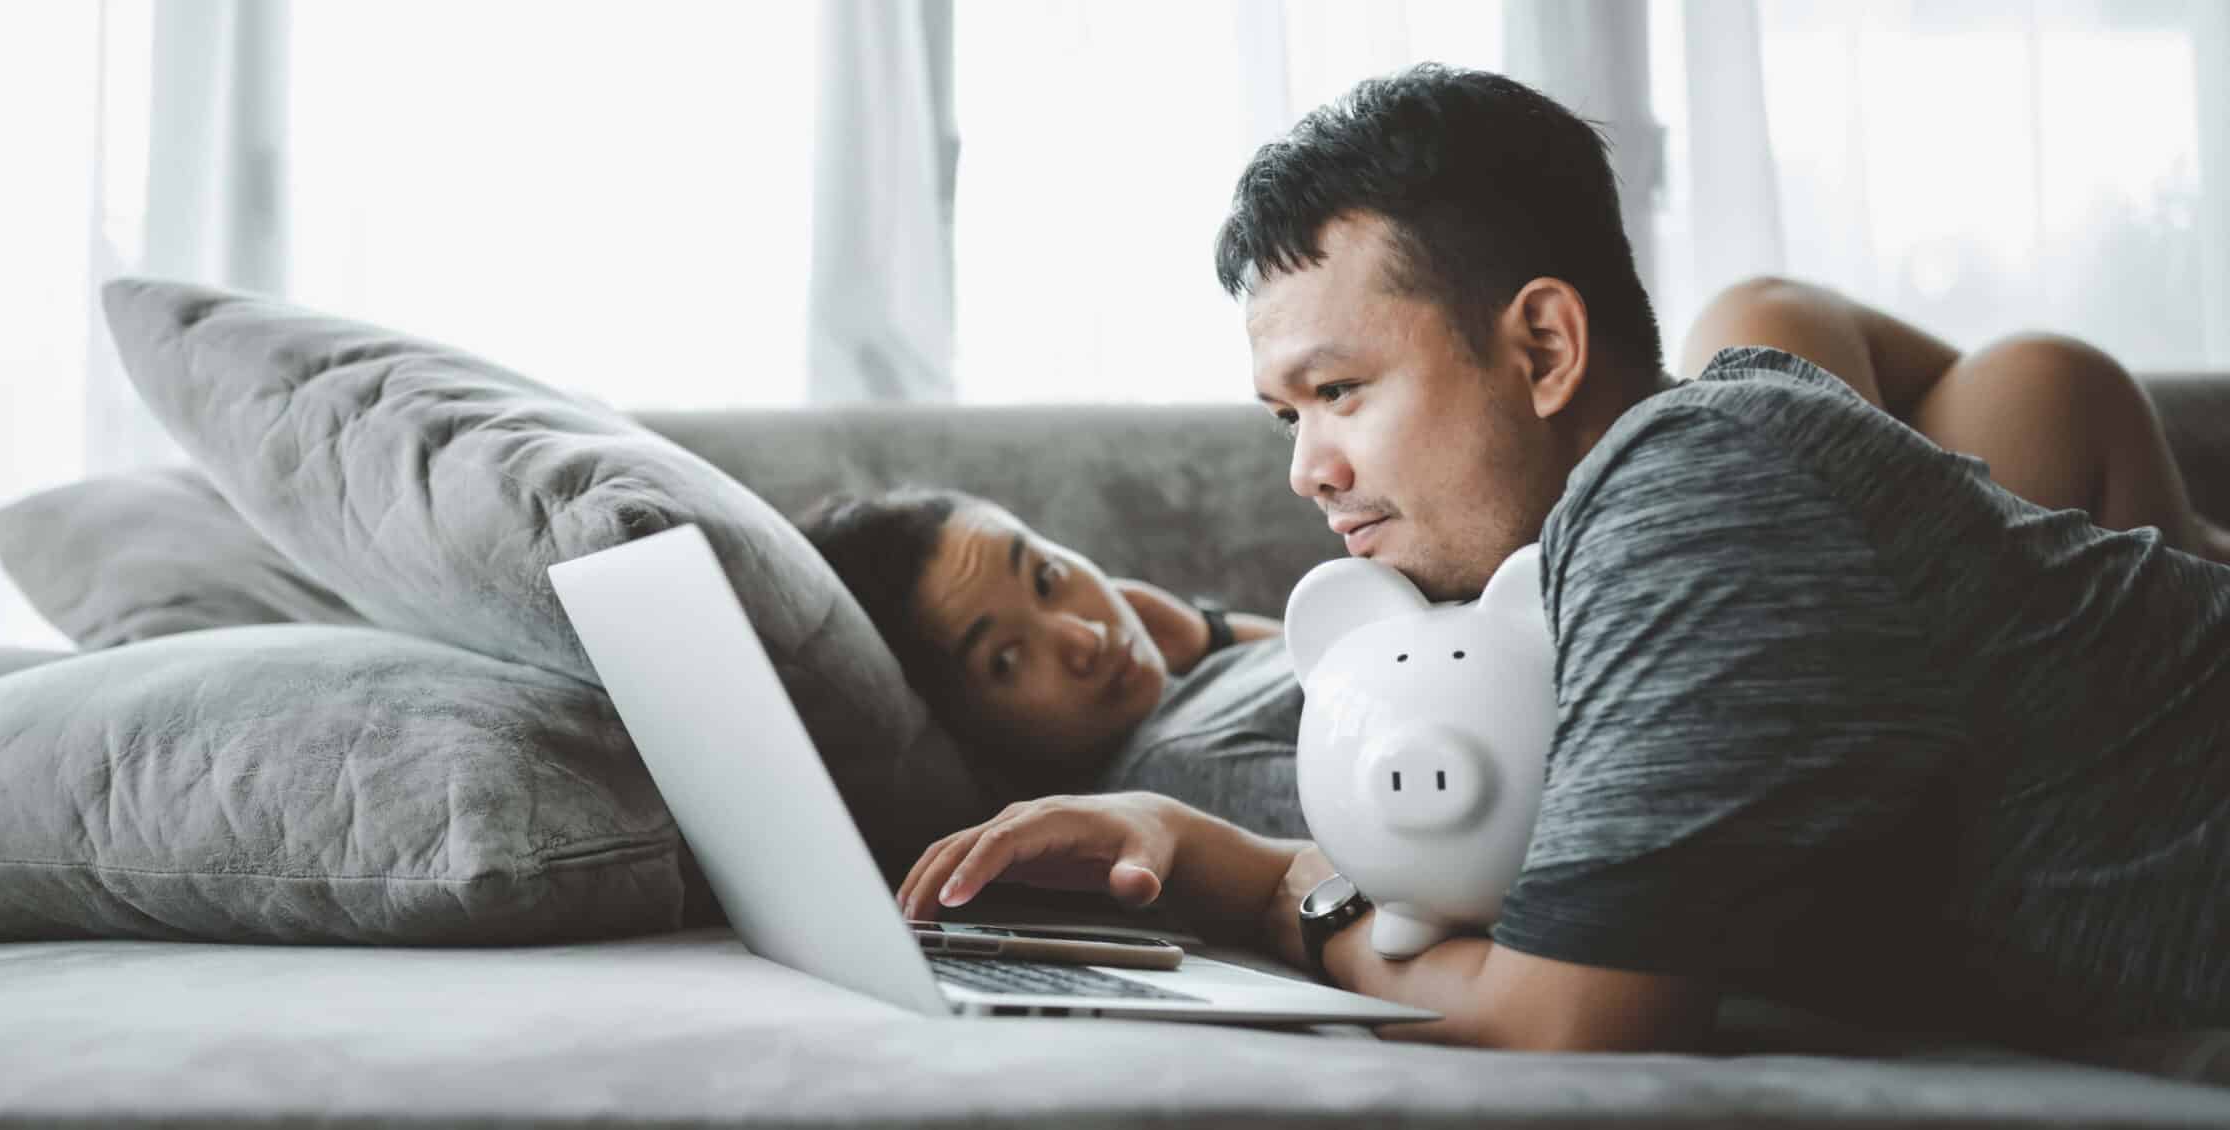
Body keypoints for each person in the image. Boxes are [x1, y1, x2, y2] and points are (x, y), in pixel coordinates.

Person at [870, 63, 2230, 1051]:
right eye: (1290, 415)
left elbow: (1566, 1010)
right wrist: (1187, 838)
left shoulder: (1690, 488)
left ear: (1544, 348)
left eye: (1339, 390)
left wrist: (1253, 878)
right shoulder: (1646, 510)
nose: (1306, 469)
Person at [801, 288, 2230, 798]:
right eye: (1006, 659)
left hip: (1776, 589)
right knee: (2017, 380)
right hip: (1710, 648)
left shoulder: (1206, 660)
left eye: (1044, 572)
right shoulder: (1180, 761)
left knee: (1845, 341)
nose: (1077, 629)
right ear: (972, 732)